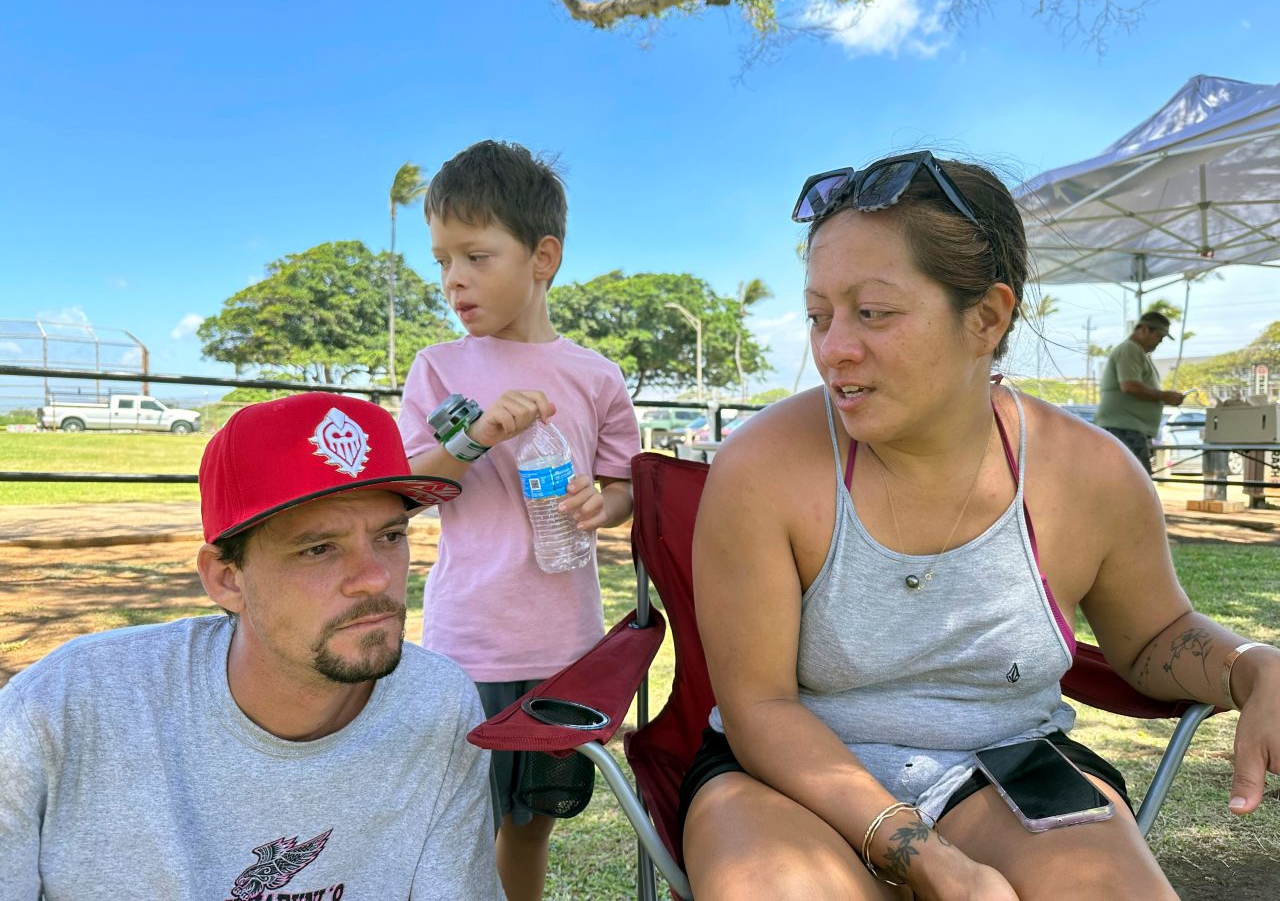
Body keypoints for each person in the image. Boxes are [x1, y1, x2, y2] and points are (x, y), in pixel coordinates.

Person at [679, 151, 1280, 900]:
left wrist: (1253, 664)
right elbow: (759, 707)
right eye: (819, 314)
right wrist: (932, 863)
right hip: (782, 775)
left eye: (873, 312)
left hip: (1009, 761)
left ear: (987, 317)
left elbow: (1154, 636)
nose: (833, 348)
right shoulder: (763, 467)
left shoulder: (1087, 475)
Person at [0, 393, 505, 899]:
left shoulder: (435, 700)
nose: (375, 578)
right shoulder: (68, 706)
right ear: (227, 579)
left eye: (390, 537)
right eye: (318, 548)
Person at [398, 140, 642, 901]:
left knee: (535, 816)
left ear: (543, 258)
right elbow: (409, 483)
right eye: (442, 261)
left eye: (475, 255)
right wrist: (478, 436)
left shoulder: (596, 375)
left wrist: (605, 506)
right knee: (462, 815)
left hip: (565, 643)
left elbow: (625, 481)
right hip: (469, 640)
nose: (453, 280)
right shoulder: (439, 368)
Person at [1096, 310, 1186, 472]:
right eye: (1159, 336)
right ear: (1143, 329)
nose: (1159, 342)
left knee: (1131, 481)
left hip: (1130, 428)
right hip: (1124, 428)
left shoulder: (1137, 352)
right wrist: (1165, 396)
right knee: (1135, 483)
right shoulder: (1130, 349)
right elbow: (1130, 386)